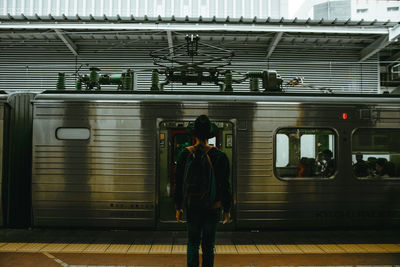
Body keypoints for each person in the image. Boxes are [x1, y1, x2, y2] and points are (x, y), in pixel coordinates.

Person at [174, 115, 232, 267]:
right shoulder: (220, 156)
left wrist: (178, 206)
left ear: (194, 135)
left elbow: (178, 182)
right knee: (208, 244)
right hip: (213, 207)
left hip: (192, 205)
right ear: (210, 136)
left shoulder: (185, 154)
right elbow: (225, 185)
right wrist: (227, 208)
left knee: (193, 242)